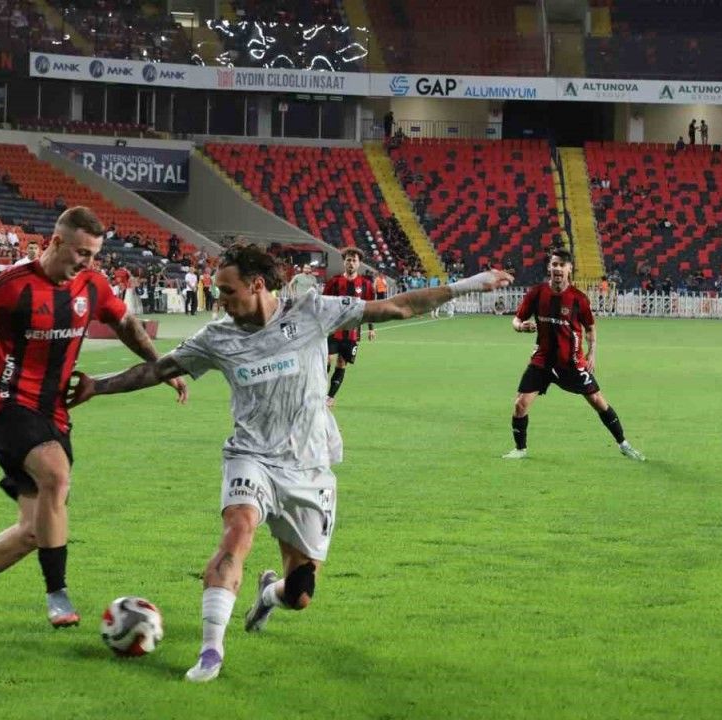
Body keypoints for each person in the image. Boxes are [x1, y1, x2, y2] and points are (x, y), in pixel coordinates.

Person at [64, 244, 511, 682]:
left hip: (309, 465)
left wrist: (470, 284)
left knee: (299, 595)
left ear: (257, 285)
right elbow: (158, 369)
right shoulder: (216, 337)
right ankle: (211, 652)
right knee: (238, 530)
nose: (220, 300)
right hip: (251, 456)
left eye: (228, 291)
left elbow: (397, 307)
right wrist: (97, 386)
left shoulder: (312, 310)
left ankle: (268, 595)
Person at [0, 207, 187, 637]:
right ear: (56, 242)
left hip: (55, 411)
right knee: (55, 475)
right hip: (6, 402)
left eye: (93, 255)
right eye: (81, 252)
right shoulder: (12, 286)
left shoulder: (92, 285)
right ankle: (57, 592)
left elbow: (126, 324)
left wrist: (162, 368)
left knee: (34, 531)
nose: (87, 262)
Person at [503, 249, 645, 462]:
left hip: (571, 362)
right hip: (542, 360)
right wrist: (520, 327)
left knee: (597, 401)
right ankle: (520, 449)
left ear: (569, 269)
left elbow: (590, 328)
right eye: (554, 264)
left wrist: (592, 353)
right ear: (549, 267)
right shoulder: (537, 293)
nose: (557, 268)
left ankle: (624, 444)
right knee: (520, 404)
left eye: (562, 265)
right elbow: (516, 320)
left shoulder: (578, 299)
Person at [322, 248, 376, 407]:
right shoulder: (334, 282)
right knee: (326, 360)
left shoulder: (366, 285)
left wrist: (371, 328)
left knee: (341, 363)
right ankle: (318, 391)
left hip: (352, 333)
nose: (351, 263)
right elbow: (323, 303)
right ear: (344, 262)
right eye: (348, 260)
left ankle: (330, 397)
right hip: (333, 329)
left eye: (354, 260)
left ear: (359, 263)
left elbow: (370, 307)